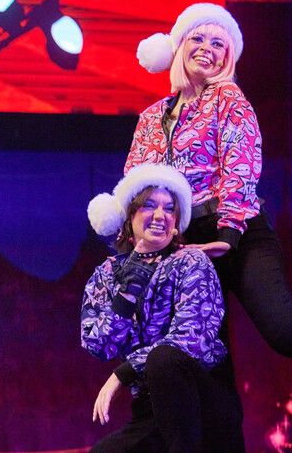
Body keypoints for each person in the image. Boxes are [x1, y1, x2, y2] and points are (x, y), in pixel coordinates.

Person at [128, 2, 292, 357]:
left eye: (218, 43)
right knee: (205, 356)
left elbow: (242, 162)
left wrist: (228, 233)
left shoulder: (227, 97)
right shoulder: (150, 117)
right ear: (179, 46)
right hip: (186, 245)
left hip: (238, 230)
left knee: (285, 332)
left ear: (228, 56)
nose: (207, 49)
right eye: (199, 38)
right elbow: (136, 182)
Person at [82, 164, 244, 451]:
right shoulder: (107, 274)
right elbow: (98, 343)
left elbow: (190, 338)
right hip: (150, 410)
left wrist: (125, 371)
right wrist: (130, 284)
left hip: (201, 398)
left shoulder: (191, 262)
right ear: (128, 215)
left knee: (164, 359)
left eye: (170, 209)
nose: (160, 216)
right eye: (149, 206)